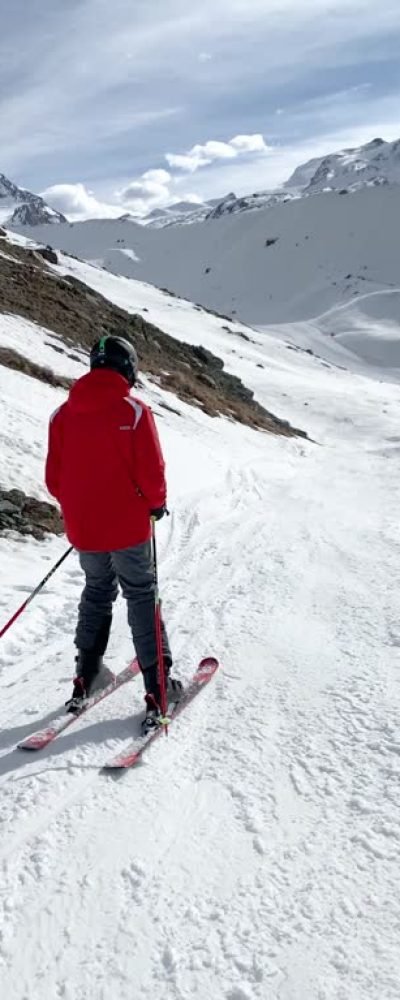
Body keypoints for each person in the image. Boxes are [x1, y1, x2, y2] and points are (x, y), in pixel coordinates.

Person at [45, 333, 182, 732]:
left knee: (97, 590)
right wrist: (155, 504)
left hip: (84, 528)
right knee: (140, 593)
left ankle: (87, 676)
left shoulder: (62, 415)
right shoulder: (134, 412)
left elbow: (54, 479)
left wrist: (81, 507)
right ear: (129, 368)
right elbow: (152, 472)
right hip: (128, 526)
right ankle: (159, 688)